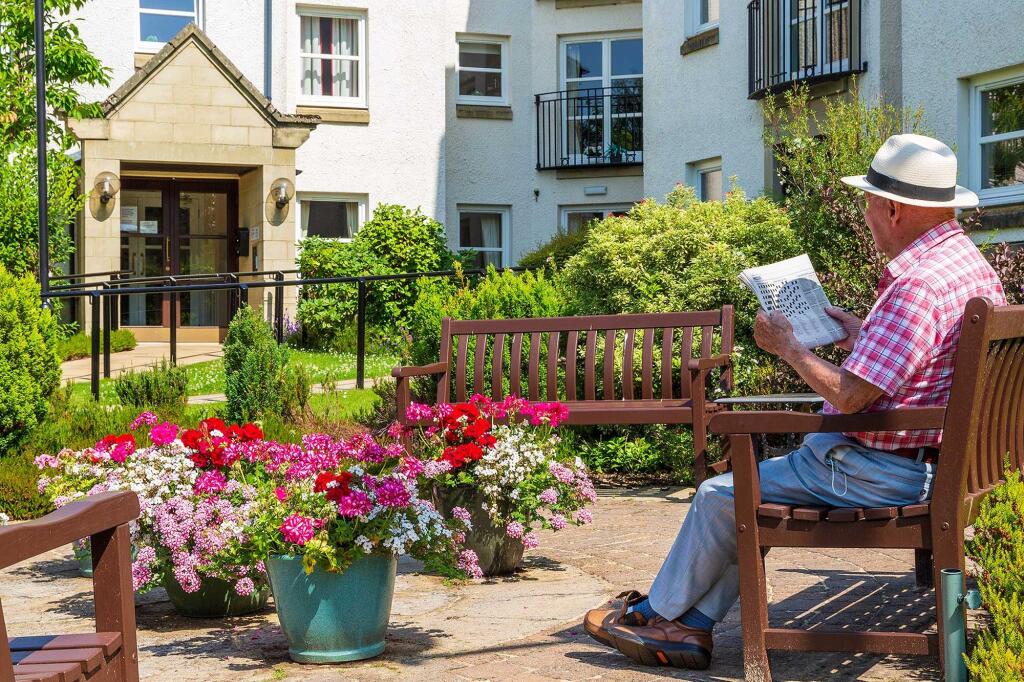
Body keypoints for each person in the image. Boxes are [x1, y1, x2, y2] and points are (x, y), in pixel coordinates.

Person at [582, 134, 1007, 670]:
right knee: (751, 487)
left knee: (722, 495)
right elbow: (928, 361)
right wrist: (860, 333)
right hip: (946, 464)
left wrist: (787, 347)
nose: (867, 212)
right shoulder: (967, 266)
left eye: (870, 201)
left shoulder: (916, 286)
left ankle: (658, 613)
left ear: (895, 209)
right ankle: (686, 625)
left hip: (885, 471)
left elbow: (852, 397)